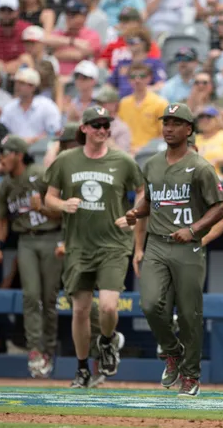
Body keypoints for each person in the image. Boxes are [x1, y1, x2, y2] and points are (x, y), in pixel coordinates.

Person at [125, 103, 223, 396]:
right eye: (165, 122)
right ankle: (172, 352)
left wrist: (194, 229)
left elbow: (220, 207)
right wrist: (136, 213)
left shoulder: (201, 167)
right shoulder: (153, 164)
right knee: (149, 304)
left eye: (175, 122)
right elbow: (151, 201)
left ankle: (191, 376)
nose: (168, 127)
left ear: (188, 129)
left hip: (188, 246)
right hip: (157, 242)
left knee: (189, 314)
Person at [45, 106, 144, 387]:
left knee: (109, 308)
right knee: (80, 310)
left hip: (113, 244)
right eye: (96, 125)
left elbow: (142, 191)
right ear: (84, 128)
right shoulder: (66, 160)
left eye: (105, 125)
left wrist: (132, 214)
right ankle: (82, 368)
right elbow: (48, 198)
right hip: (78, 245)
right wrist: (63, 204)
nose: (102, 130)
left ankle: (108, 340)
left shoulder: (122, 160)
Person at [0, 135, 63, 379]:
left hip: (51, 236)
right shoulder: (4, 185)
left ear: (19, 154)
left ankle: (49, 350)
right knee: (31, 296)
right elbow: (2, 220)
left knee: (49, 298)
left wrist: (43, 207)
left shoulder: (40, 173)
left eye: (6, 153)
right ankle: (35, 350)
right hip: (26, 240)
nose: (2, 158)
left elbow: (62, 211)